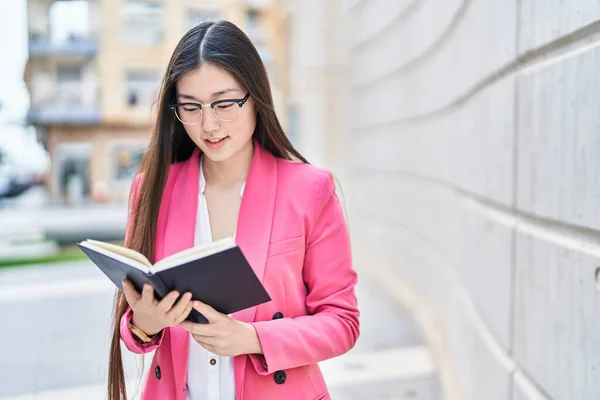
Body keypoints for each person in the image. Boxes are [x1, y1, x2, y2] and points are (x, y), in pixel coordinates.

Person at [108, 20, 360, 400]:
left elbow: (342, 322)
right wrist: (146, 322)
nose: (209, 124)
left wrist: (253, 339)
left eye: (224, 104)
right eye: (190, 107)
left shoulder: (309, 190)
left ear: (256, 95)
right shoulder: (153, 189)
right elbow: (133, 327)